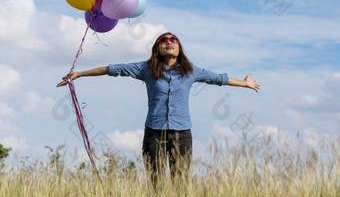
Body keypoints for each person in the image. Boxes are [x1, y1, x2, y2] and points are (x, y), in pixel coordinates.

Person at [57, 32, 259, 185]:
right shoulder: (145, 69)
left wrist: (244, 82)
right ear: (157, 48)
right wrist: (80, 74)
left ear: (179, 48)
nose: (169, 42)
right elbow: (113, 69)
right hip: (154, 133)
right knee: (157, 184)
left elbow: (219, 79)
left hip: (182, 134)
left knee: (180, 183)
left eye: (173, 40)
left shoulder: (191, 71)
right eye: (163, 40)